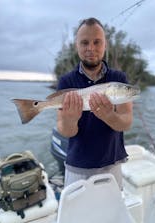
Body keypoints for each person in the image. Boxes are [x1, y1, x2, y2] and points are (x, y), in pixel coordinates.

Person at [57, 17, 133, 190]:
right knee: (78, 216)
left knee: (111, 215)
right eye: (84, 42)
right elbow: (65, 130)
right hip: (77, 165)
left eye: (97, 42)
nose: (91, 48)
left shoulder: (119, 80)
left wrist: (109, 116)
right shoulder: (66, 81)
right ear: (77, 45)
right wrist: (70, 119)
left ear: (105, 45)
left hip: (112, 163)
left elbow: (127, 122)